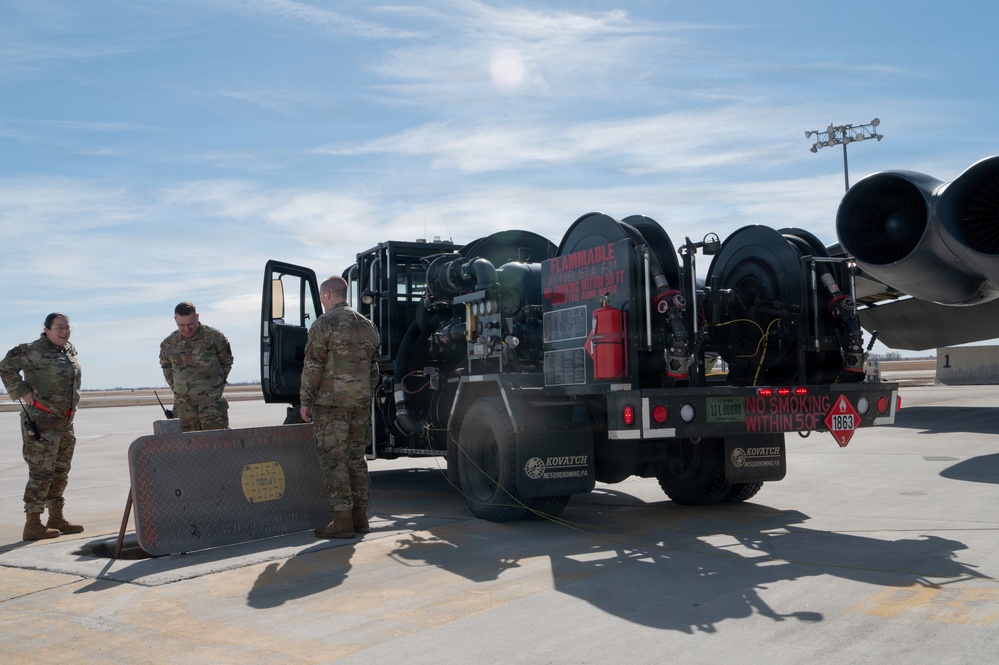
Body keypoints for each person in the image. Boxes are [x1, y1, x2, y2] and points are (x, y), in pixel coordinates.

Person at [300, 276, 380, 539]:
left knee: (335, 462)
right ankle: (361, 519)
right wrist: (364, 394)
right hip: (359, 404)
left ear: (326, 296)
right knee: (356, 460)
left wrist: (305, 400)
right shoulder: (368, 325)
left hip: (332, 405)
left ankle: (343, 522)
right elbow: (375, 369)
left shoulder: (323, 324)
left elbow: (313, 366)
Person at [0, 313, 84, 541]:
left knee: (60, 471)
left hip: (65, 422)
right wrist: (22, 391)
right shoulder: (32, 350)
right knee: (41, 473)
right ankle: (33, 524)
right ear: (46, 329)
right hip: (42, 421)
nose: (65, 331)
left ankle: (56, 518)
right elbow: (5, 367)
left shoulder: (68, 350)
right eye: (59, 327)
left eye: (67, 327)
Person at [159, 301, 234, 432]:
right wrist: (178, 388)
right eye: (181, 325)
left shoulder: (214, 337)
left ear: (197, 317)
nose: (187, 329)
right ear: (175, 319)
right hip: (184, 409)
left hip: (212, 407)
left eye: (190, 324)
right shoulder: (168, 344)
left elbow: (226, 361)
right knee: (187, 448)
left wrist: (216, 385)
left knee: (217, 446)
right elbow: (166, 367)